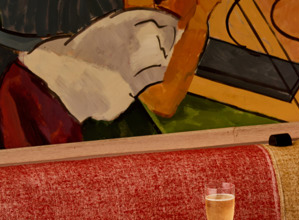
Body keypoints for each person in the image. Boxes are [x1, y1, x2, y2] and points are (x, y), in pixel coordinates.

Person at [0, 0, 221, 148]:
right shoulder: (157, 25)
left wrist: (201, 17)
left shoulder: (174, 31)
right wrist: (200, 16)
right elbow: (163, 102)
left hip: (41, 97)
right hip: (38, 96)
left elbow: (163, 102)